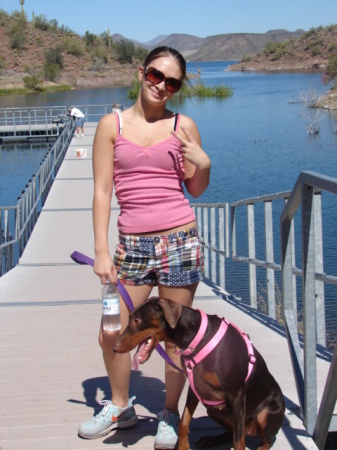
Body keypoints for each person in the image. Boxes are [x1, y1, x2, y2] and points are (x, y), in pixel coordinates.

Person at [78, 46, 211, 449]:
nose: (162, 86)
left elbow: (196, 189)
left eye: (172, 82)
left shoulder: (183, 125)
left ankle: (169, 413)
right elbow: (102, 190)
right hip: (131, 247)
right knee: (112, 329)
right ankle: (120, 405)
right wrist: (102, 250)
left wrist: (203, 163)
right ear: (142, 73)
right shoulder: (110, 125)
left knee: (174, 337)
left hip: (180, 241)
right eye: (156, 75)